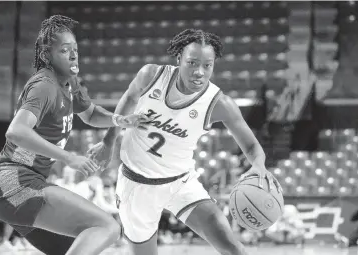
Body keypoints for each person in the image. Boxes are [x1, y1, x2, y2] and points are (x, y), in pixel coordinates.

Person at [88, 29, 283, 255]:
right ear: (179, 58)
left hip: (181, 182)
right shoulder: (151, 75)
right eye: (192, 63)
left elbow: (251, 146)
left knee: (234, 249)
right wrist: (108, 142)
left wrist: (258, 165)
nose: (199, 72)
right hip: (137, 185)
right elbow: (129, 99)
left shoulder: (219, 103)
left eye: (207, 65)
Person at [0, 15, 152, 255]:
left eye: (75, 49)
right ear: (46, 56)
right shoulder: (45, 86)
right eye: (65, 50)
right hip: (13, 181)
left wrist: (120, 120)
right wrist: (69, 158)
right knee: (107, 226)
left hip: (29, 182)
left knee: (74, 249)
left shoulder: (70, 83)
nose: (73, 55)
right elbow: (16, 131)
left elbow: (91, 114)